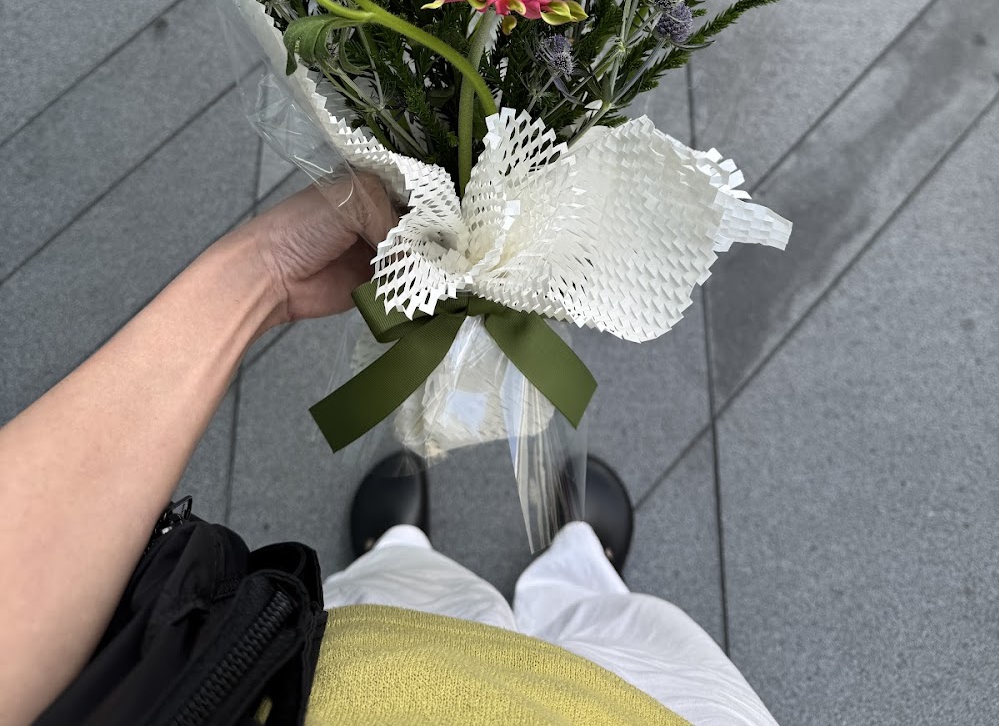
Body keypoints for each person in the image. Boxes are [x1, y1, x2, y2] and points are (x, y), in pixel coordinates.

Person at [0, 178, 779, 726]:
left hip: (349, 692)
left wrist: (263, 272)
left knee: (404, 600)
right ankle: (585, 573)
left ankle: (398, 552)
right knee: (634, 638)